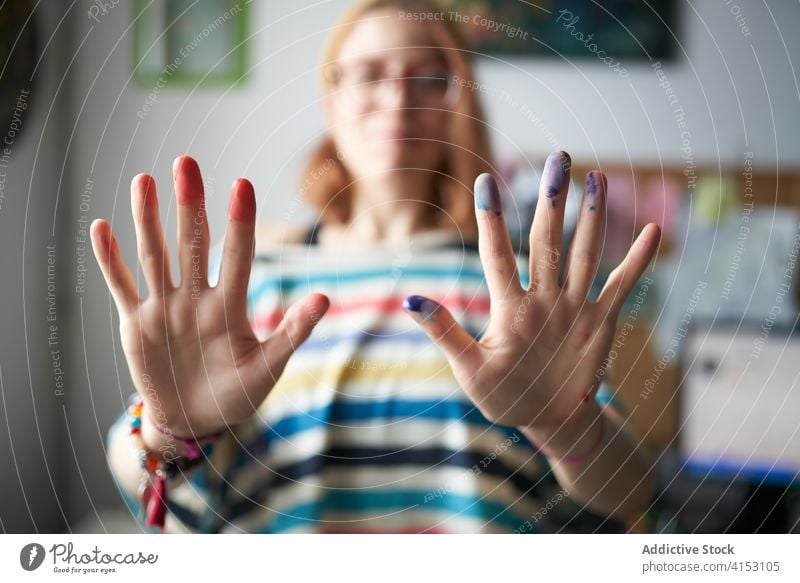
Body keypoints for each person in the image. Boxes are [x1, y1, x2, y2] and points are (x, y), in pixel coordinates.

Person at [91, 0, 661, 533]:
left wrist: (563, 424)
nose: (398, 101)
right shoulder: (251, 276)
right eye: (368, 74)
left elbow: (633, 490)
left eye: (430, 78)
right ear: (330, 98)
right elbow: (132, 470)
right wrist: (174, 430)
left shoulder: (521, 289)